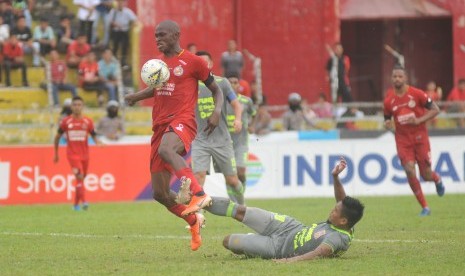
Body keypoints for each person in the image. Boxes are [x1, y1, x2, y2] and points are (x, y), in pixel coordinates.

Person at [124, 20, 223, 251]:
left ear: (176, 34)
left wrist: (217, 112)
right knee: (159, 193)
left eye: (162, 35)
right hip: (159, 126)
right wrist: (135, 97)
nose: (157, 39)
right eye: (156, 35)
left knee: (167, 150)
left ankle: (198, 193)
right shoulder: (159, 64)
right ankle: (193, 220)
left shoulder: (194, 61)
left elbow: (216, 89)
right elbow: (156, 88)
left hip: (182, 120)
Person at [204, 157, 364, 261]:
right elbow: (341, 200)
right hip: (288, 226)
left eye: (335, 211)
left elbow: (319, 253)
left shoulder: (337, 238)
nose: (332, 211)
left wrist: (287, 261)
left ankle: (254, 240)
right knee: (241, 211)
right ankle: (199, 199)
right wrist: (335, 177)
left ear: (343, 221)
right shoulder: (346, 222)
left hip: (278, 248)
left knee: (228, 241)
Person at [383, 66, 445, 216]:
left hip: (420, 138)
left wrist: (418, 120)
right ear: (391, 79)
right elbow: (387, 121)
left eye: (400, 76)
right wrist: (389, 127)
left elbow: (435, 109)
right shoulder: (388, 100)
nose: (397, 79)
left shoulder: (416, 94)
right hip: (403, 140)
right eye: (395, 76)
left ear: (405, 78)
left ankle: (437, 179)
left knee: (426, 175)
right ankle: (425, 207)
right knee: (409, 170)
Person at [191, 50, 245, 205]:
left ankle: (243, 206)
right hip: (200, 140)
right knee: (199, 177)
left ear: (211, 64)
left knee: (232, 180)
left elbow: (236, 105)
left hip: (222, 140)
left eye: (204, 62)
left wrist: (238, 119)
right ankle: (196, 217)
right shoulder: (191, 85)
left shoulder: (222, 83)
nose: (202, 65)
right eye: (198, 63)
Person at [53, 96, 101, 211]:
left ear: (82, 106)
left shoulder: (88, 121)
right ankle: (84, 202)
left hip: (85, 155)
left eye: (79, 105)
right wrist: (56, 153)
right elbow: (57, 137)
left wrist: (99, 142)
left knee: (81, 179)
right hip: (72, 154)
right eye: (75, 105)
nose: (77, 107)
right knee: (79, 176)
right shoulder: (66, 121)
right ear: (71, 107)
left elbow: (94, 135)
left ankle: (75, 205)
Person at [226, 73, 256, 185]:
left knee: (241, 171)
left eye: (235, 82)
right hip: (226, 143)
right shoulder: (221, 101)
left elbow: (254, 114)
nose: (233, 85)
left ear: (239, 85)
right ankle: (235, 195)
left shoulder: (246, 101)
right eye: (230, 82)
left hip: (241, 142)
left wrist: (252, 125)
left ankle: (241, 190)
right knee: (230, 174)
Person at [107, 0, 138, 67]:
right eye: (118, 2)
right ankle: (113, 62)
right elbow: (109, 20)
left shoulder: (127, 11)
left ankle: (123, 63)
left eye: (121, 2)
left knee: (124, 46)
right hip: (116, 31)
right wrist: (116, 24)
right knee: (115, 46)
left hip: (124, 31)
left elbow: (134, 20)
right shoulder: (113, 11)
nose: (120, 4)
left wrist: (132, 25)